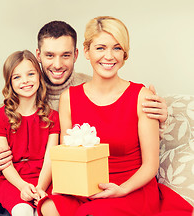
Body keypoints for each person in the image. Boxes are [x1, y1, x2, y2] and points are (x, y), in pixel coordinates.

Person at [0, 21, 169, 216]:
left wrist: (162, 117)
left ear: (78, 54)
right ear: (39, 55)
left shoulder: (90, 86)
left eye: (66, 55)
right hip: (21, 179)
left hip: (52, 177)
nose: (58, 64)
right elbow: (6, 136)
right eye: (50, 55)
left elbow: (121, 123)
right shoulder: (25, 86)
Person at [37, 16, 193, 216]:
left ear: (124, 53)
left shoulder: (141, 96)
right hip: (85, 188)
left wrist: (122, 189)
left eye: (117, 48)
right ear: (86, 51)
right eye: (100, 48)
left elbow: (150, 165)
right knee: (49, 207)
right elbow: (69, 156)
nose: (109, 56)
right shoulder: (69, 98)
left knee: (91, 213)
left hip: (131, 188)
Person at [0, 50, 60, 216]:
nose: (25, 81)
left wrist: (40, 188)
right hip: (13, 181)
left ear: (39, 77)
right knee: (24, 211)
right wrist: (22, 186)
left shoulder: (52, 117)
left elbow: (50, 160)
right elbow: (4, 162)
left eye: (30, 74)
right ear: (10, 83)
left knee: (46, 210)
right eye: (17, 77)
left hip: (45, 178)